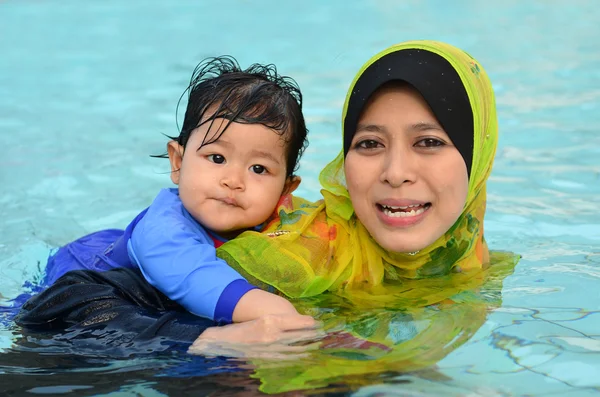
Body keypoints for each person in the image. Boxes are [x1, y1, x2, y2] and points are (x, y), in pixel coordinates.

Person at [15, 40, 519, 363]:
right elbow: (60, 310)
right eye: (369, 144)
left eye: (430, 141)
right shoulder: (287, 255)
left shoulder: (470, 265)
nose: (396, 172)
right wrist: (198, 340)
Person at [38, 56, 311, 324]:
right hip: (83, 273)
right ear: (178, 163)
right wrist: (284, 315)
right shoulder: (163, 233)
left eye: (258, 169)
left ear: (286, 190)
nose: (233, 180)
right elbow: (200, 280)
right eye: (217, 158)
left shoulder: (288, 225)